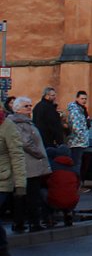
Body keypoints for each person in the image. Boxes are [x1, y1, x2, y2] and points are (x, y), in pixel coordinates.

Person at [9, 96, 51, 233]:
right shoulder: (19, 123)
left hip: (26, 164)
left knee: (24, 195)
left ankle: (21, 223)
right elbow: (26, 142)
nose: (29, 108)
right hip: (28, 164)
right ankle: (32, 223)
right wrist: (39, 153)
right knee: (31, 195)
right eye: (26, 106)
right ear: (18, 109)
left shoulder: (25, 122)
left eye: (30, 105)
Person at [0, 109, 26, 256]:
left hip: (2, 181)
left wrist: (20, 184)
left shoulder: (7, 126)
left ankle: (2, 251)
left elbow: (17, 156)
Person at [42, 145, 80, 226]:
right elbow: (78, 184)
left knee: (42, 191)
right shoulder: (74, 168)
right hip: (72, 202)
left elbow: (44, 181)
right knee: (69, 192)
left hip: (54, 200)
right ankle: (68, 214)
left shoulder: (52, 166)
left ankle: (48, 217)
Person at [65, 90, 91, 175]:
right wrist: (82, 137)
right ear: (77, 99)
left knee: (78, 164)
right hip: (76, 142)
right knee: (76, 164)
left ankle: (76, 183)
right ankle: (75, 184)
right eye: (82, 98)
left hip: (81, 142)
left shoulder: (82, 110)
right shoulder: (75, 111)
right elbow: (76, 127)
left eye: (85, 99)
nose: (84, 100)